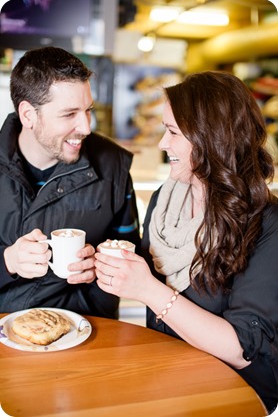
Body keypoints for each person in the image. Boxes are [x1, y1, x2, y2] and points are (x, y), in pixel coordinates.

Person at [95, 71, 278, 413]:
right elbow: (147, 274)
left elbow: (242, 348)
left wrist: (147, 289)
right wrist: (106, 265)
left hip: (236, 393)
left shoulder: (267, 223)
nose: (163, 144)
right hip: (170, 375)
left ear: (212, 139)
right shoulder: (168, 200)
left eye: (173, 132)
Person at [0, 46, 140, 319]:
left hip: (89, 331)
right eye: (69, 114)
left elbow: (133, 251)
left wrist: (101, 268)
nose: (86, 127)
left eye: (88, 110)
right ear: (28, 115)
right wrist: (6, 261)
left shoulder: (113, 166)